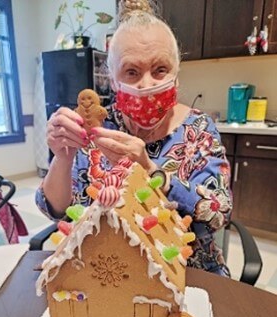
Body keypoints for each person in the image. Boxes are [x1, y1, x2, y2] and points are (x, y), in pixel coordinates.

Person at [36, 0, 232, 276]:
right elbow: (56, 211)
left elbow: (218, 213)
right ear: (113, 80)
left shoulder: (199, 130)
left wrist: (150, 170)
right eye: (131, 72)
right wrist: (63, 158)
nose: (146, 84)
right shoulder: (96, 127)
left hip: (187, 270)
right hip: (106, 272)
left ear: (176, 76)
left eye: (160, 70)